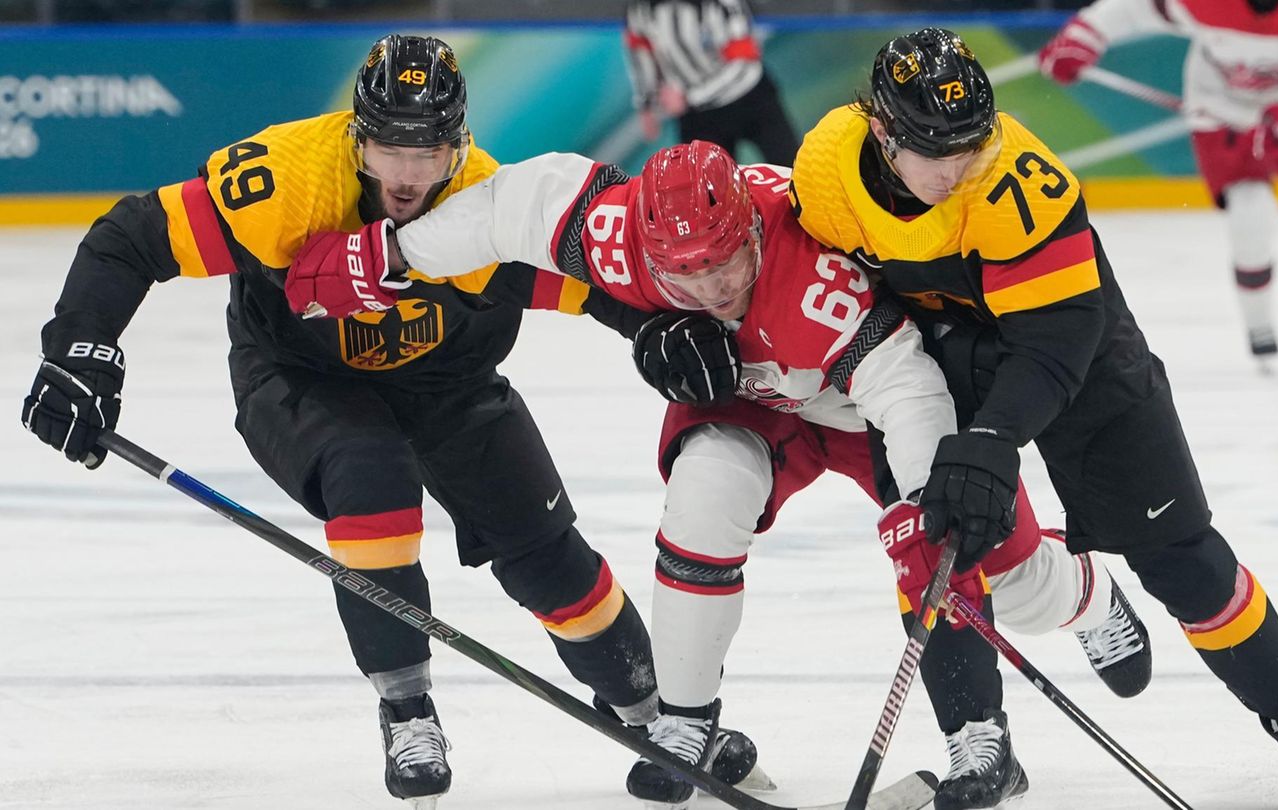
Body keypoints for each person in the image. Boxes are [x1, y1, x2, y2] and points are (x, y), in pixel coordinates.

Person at [296, 139, 1157, 810]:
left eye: (723, 264)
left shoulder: (815, 277)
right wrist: (384, 256)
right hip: (753, 396)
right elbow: (503, 208)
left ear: (750, 230)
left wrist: (927, 497)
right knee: (703, 495)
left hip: (859, 402)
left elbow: (908, 384)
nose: (706, 287)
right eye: (683, 273)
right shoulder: (614, 231)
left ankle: (1083, 596)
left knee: (988, 573)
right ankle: (687, 720)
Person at [18, 34, 760, 809]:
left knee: (546, 555)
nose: (409, 175)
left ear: (460, 145)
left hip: (448, 382)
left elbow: (591, 283)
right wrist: (78, 346)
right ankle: (407, 710)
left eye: (431, 150)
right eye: (389, 148)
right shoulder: (286, 182)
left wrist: (652, 327)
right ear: (355, 136)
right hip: (301, 379)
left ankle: (647, 711)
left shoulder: (483, 205)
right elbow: (132, 237)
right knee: (370, 477)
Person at [788, 27, 1278, 806]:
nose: (957, 171)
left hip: (1075, 349)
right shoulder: (822, 172)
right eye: (935, 153)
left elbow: (1055, 344)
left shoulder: (1020, 181)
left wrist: (991, 438)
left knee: (1180, 553)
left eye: (969, 147)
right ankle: (978, 744)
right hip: (935, 354)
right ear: (882, 132)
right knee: (932, 533)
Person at [1037, 0, 1278, 367]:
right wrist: (1082, 38)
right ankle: (1259, 328)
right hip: (1223, 113)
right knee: (1250, 213)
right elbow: (1132, 9)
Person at [623, 0, 800, 165]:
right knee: (705, 192)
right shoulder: (642, 8)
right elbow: (640, 50)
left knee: (790, 170)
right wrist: (647, 103)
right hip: (699, 117)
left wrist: (688, 98)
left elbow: (743, 61)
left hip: (750, 98)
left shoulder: (722, 4)